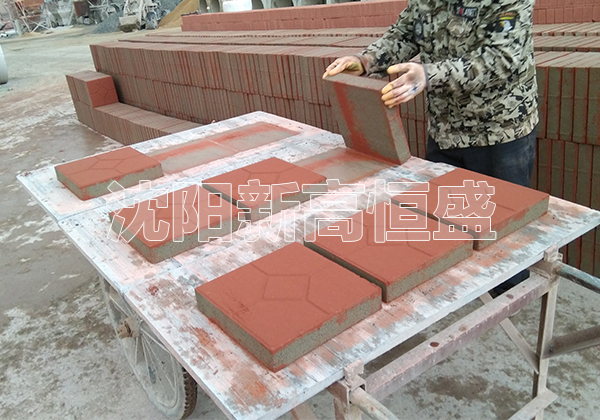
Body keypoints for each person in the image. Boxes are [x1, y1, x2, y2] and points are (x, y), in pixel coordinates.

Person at [323, 0, 537, 294]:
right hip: (445, 130)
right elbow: (404, 34)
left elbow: (500, 59)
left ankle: (507, 302)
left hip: (499, 133)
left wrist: (428, 74)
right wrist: (366, 61)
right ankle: (457, 291)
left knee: (502, 233)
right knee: (444, 226)